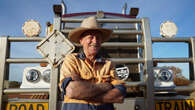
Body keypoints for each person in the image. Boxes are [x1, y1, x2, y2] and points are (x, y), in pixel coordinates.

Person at [59, 16, 126, 110]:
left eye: (98, 38)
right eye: (90, 37)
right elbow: (72, 90)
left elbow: (119, 96)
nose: (95, 41)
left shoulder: (108, 64)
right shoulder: (71, 60)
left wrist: (83, 92)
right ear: (81, 40)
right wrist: (105, 86)